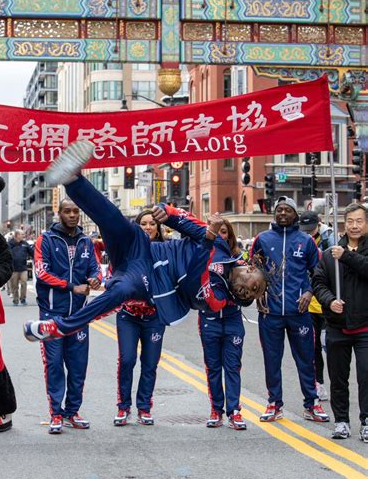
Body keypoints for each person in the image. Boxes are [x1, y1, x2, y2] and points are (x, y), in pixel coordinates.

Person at [24, 141, 268, 343]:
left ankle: (60, 327)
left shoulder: (217, 299)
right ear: (251, 268)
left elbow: (194, 278)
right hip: (143, 248)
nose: (249, 291)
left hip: (150, 279)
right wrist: (167, 213)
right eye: (255, 286)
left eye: (251, 295)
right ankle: (72, 180)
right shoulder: (222, 246)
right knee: (113, 219)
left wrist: (208, 239)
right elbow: (191, 225)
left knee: (120, 291)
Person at [251, 196, 329, 423]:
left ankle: (311, 404)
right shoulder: (262, 239)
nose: (283, 213)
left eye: (287, 210)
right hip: (270, 313)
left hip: (300, 313)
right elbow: (251, 271)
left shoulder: (306, 241)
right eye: (279, 210)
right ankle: (274, 403)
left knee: (306, 360)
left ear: (295, 215)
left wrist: (309, 292)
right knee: (272, 360)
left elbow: (318, 273)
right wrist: (258, 294)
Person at [35, 198, 101, 434]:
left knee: (78, 365)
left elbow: (95, 268)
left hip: (79, 316)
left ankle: (72, 412)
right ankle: (56, 413)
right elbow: (42, 273)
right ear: (59, 213)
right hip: (52, 315)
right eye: (67, 211)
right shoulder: (46, 239)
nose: (72, 215)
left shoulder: (86, 241)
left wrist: (95, 279)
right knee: (53, 364)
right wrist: (71, 286)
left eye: (76, 211)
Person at [312, 203, 368, 443]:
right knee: (338, 378)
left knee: (366, 376)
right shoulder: (329, 254)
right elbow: (318, 283)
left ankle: (366, 421)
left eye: (359, 221)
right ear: (344, 224)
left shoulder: (343, 254)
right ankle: (342, 421)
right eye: (350, 221)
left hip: (365, 326)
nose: (354, 226)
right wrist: (329, 301)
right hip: (336, 326)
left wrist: (347, 256)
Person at [114, 209, 166, 427]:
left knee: (150, 364)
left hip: (155, 317)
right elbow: (115, 275)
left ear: (158, 228)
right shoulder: (127, 250)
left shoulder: (166, 250)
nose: (148, 227)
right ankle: (123, 407)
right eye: (143, 224)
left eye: (152, 224)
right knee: (127, 360)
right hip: (129, 315)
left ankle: (144, 408)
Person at [199, 219, 247, 431]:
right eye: (216, 231)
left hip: (233, 319)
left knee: (233, 366)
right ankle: (216, 409)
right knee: (213, 368)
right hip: (209, 320)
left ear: (230, 235)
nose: (220, 235)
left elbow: (249, 292)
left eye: (224, 232)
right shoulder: (201, 254)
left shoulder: (238, 258)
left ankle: (234, 411)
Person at [299, 210, 335, 401]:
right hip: (309, 302)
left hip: (326, 301)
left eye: (311, 230)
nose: (308, 233)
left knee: (328, 344)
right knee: (312, 347)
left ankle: (335, 382)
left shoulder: (329, 238)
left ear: (319, 224)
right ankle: (318, 384)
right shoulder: (299, 239)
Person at [8, 230, 34, 306]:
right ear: (17, 235)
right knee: (14, 285)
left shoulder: (25, 244)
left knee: (24, 282)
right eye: (22, 234)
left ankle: (23, 298)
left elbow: (32, 253)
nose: (24, 235)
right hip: (13, 269)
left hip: (23, 268)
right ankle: (15, 299)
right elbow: (5, 254)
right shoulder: (10, 244)